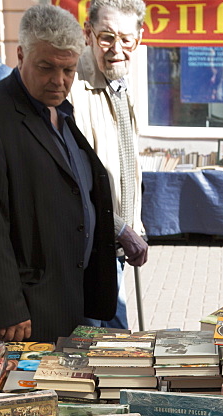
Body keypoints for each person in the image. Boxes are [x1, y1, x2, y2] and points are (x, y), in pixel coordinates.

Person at [0, 5, 117, 343]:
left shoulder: (60, 111)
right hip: (20, 313)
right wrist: (8, 306)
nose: (59, 81)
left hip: (68, 297)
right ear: (20, 54)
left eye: (69, 70)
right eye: (46, 67)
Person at [69, 0, 149, 330]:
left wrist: (135, 225)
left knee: (120, 352)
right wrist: (120, 227)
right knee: (96, 353)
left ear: (139, 38)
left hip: (115, 247)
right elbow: (73, 183)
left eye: (126, 39)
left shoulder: (122, 85)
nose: (117, 49)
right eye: (106, 37)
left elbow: (125, 164)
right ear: (88, 34)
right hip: (88, 253)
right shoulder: (74, 89)